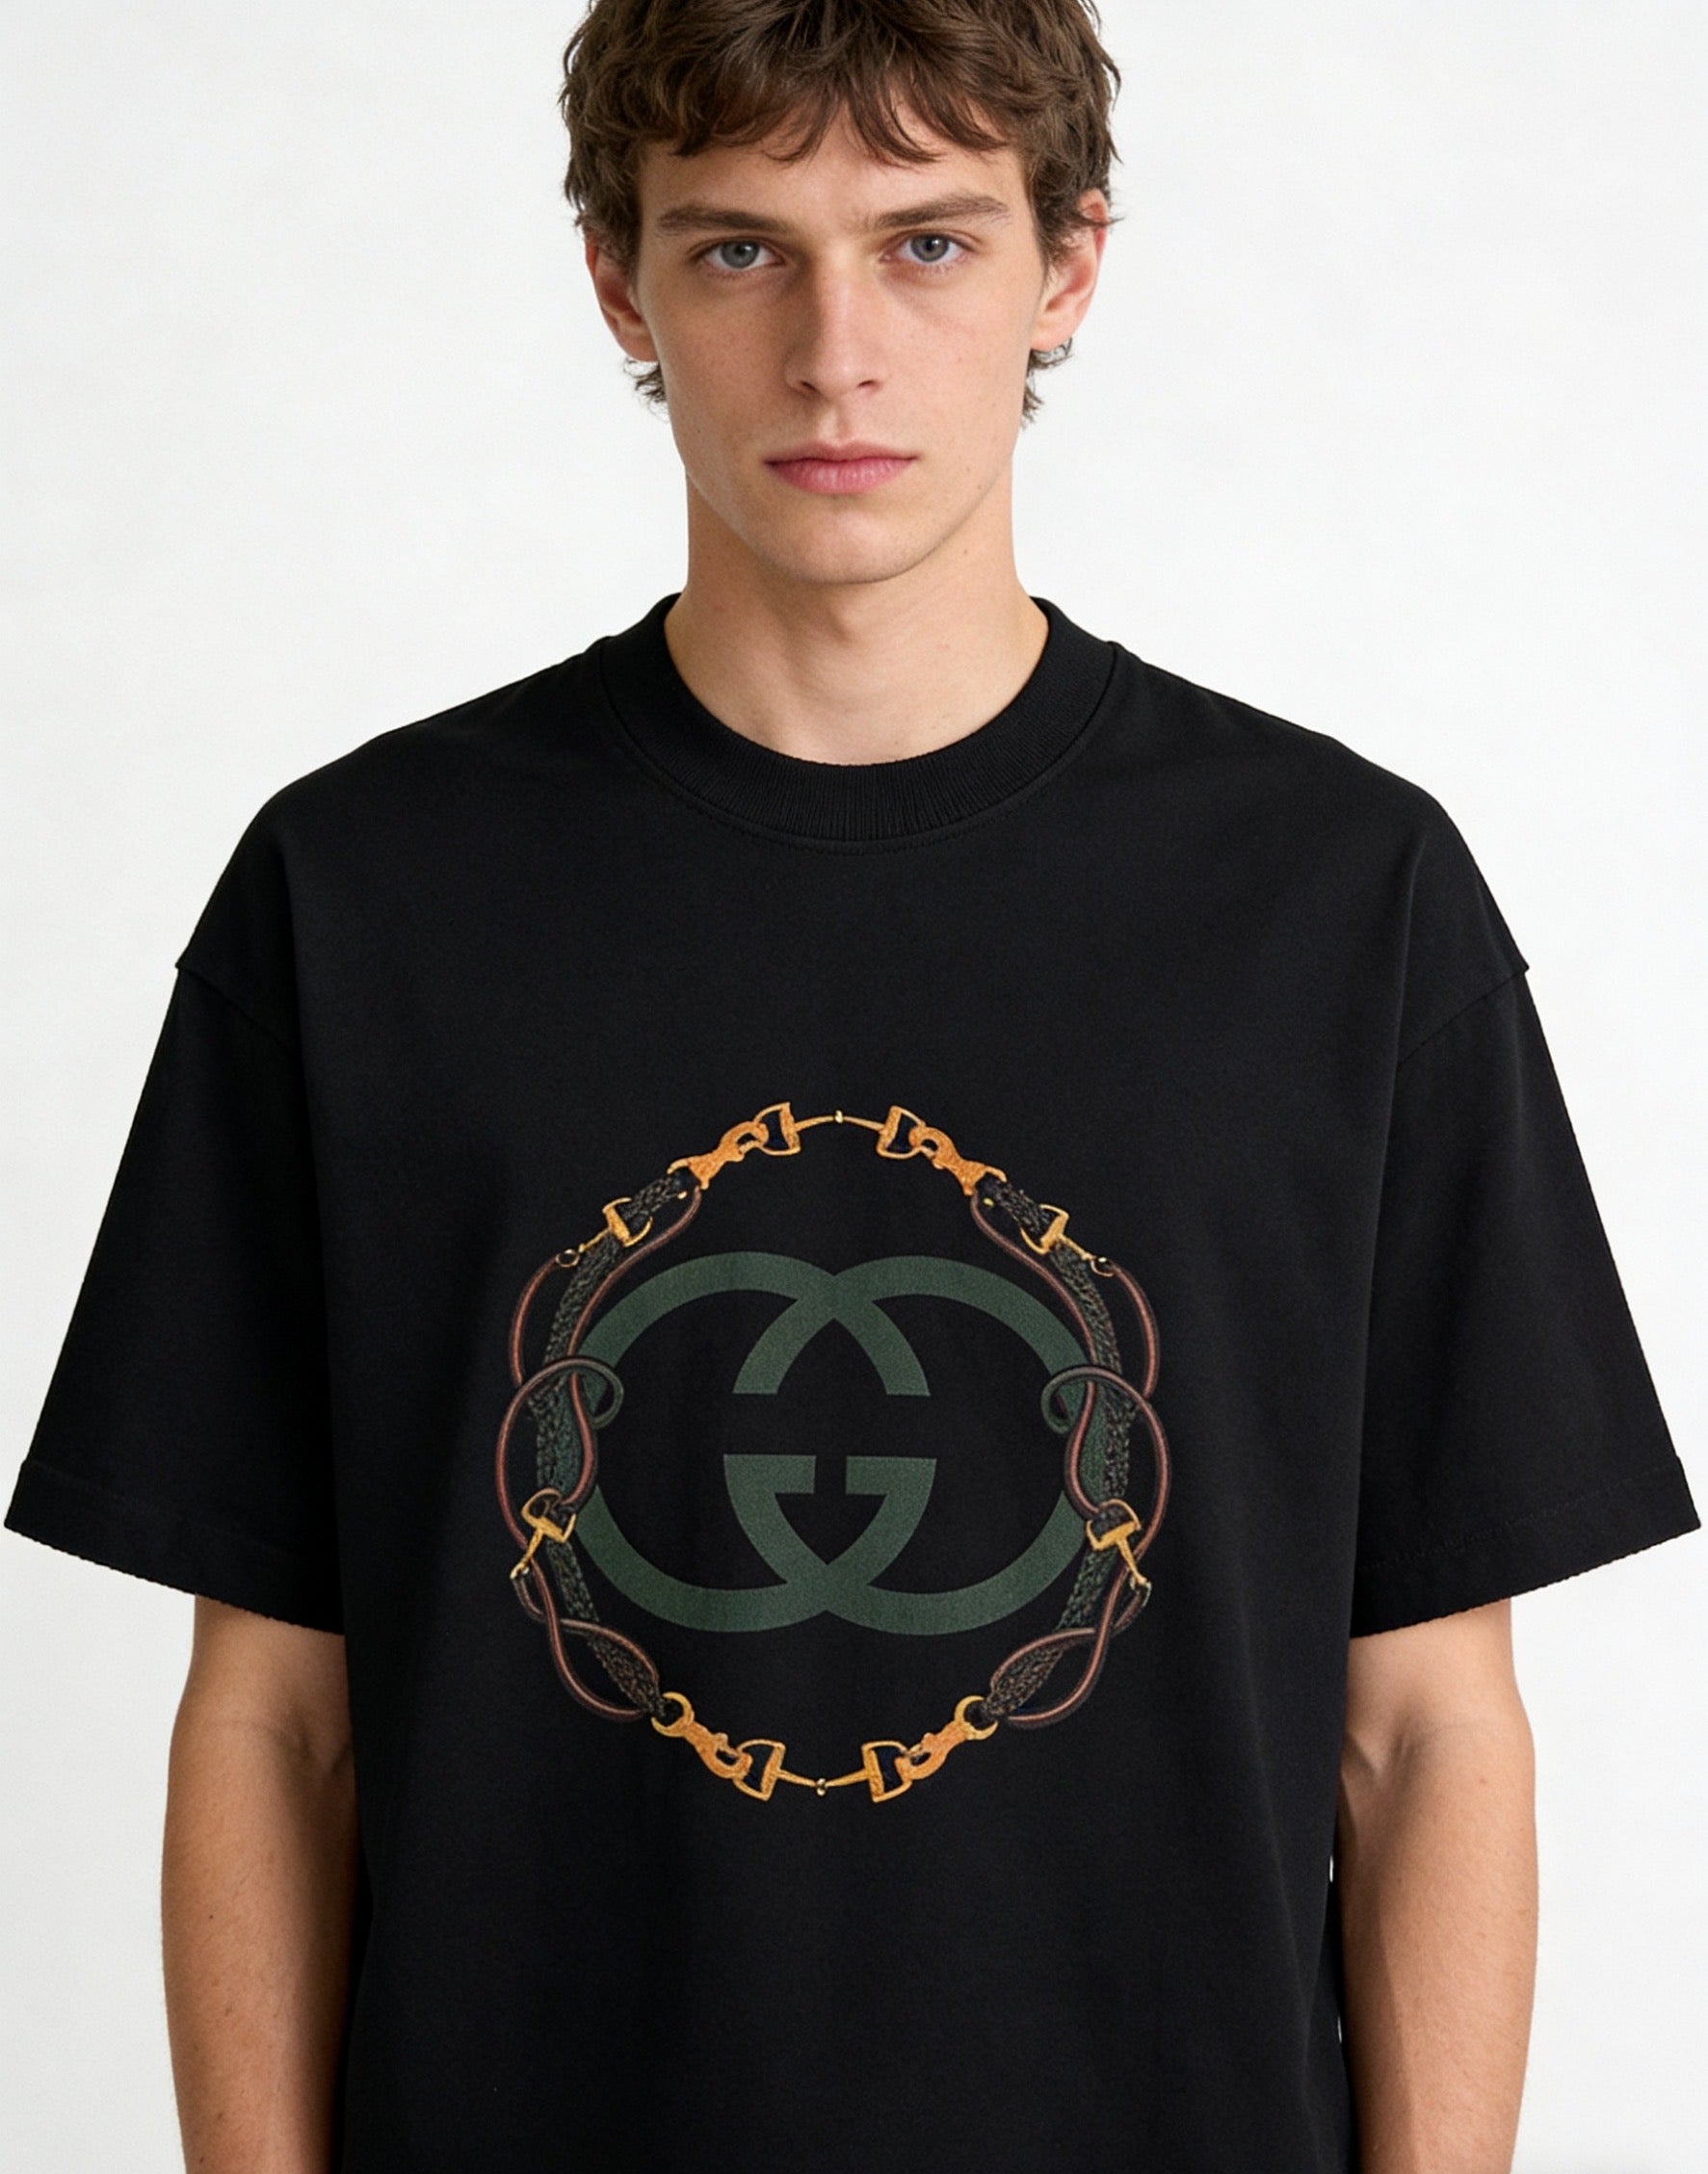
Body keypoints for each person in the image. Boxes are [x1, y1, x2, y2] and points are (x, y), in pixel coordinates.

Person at [5, 3, 1698, 2169]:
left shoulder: (1341, 903)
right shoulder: (358, 900)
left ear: (1066, 266)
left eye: (925, 243)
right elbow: (271, 1721)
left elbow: (1426, 1729)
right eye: (738, 250)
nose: (833, 354)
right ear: (616, 280)